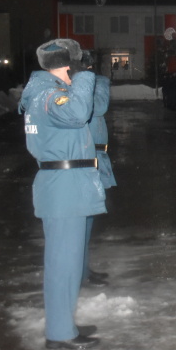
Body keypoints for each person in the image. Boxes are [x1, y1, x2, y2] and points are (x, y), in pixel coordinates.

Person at [19, 38, 105, 350]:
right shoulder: (49, 95)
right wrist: (84, 76)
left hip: (68, 184)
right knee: (61, 264)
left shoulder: (48, 93)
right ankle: (59, 334)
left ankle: (64, 325)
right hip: (63, 185)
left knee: (69, 264)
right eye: (78, 63)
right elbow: (78, 113)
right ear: (68, 65)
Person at [79, 51, 115, 288]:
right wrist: (97, 81)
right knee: (82, 221)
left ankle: (83, 270)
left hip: (96, 156)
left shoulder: (84, 88)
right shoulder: (85, 88)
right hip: (87, 158)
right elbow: (99, 107)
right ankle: (80, 273)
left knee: (88, 221)